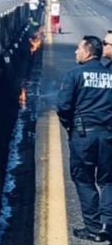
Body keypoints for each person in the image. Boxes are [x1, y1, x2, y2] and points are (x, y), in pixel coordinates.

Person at [57, 36, 112, 242]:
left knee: (84, 179)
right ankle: (108, 223)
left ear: (88, 53)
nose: (76, 52)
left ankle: (93, 227)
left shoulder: (74, 75)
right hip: (108, 135)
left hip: (83, 135)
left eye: (78, 49)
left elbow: (63, 107)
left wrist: (70, 126)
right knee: (108, 181)